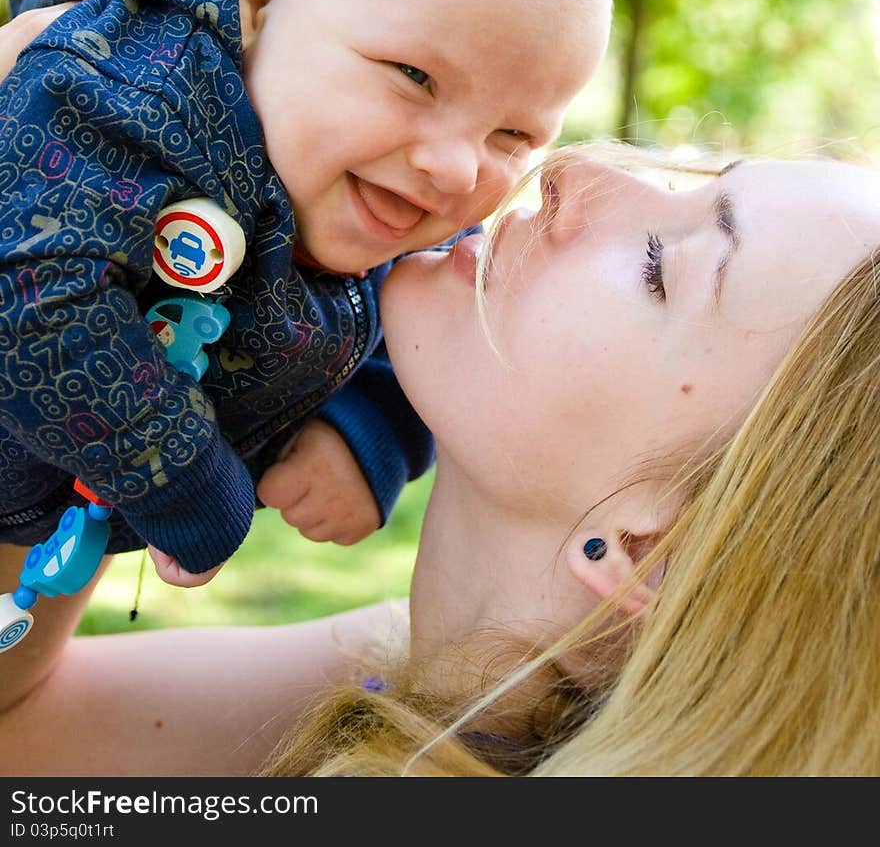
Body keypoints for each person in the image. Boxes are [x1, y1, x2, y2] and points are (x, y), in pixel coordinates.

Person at [1, 140, 878, 777]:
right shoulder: (399, 671)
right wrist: (98, 351)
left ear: (649, 553)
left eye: (661, 265)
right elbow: (22, 732)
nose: (574, 170)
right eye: (696, 182)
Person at [0, 0, 615, 623]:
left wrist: (369, 436)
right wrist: (185, 479)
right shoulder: (137, 85)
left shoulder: (401, 191)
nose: (454, 165)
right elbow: (30, 294)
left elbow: (435, 321)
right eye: (414, 76)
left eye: (513, 132)